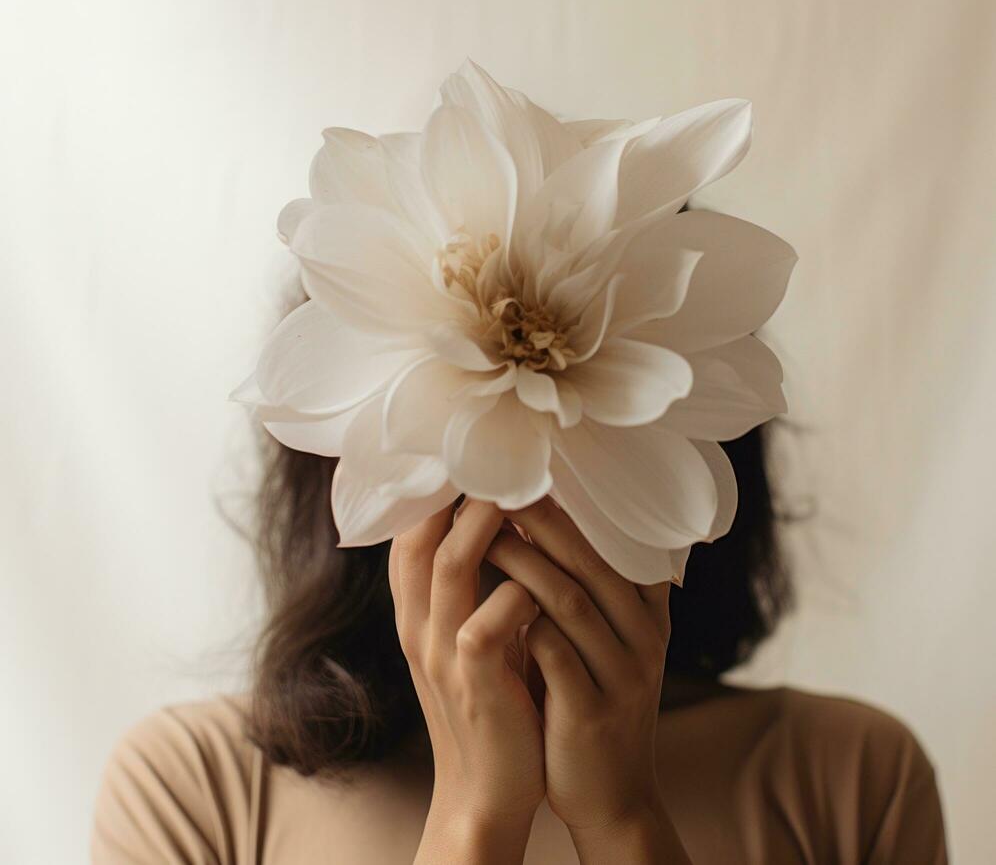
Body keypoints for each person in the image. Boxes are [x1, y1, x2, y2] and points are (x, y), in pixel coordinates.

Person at [90, 290, 948, 864]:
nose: (522, 494)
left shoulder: (847, 776)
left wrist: (622, 821)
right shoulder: (193, 787)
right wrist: (474, 816)